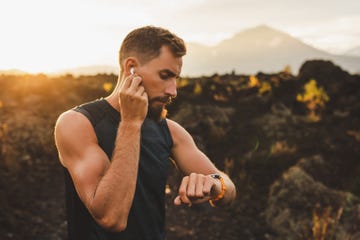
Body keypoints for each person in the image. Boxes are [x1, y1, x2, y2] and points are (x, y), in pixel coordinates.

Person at [54, 25, 236, 240]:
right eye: (165, 75)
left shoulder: (170, 130)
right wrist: (131, 123)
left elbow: (229, 189)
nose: (173, 90)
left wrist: (215, 185)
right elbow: (111, 218)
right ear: (131, 67)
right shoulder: (78, 123)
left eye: (175, 78)